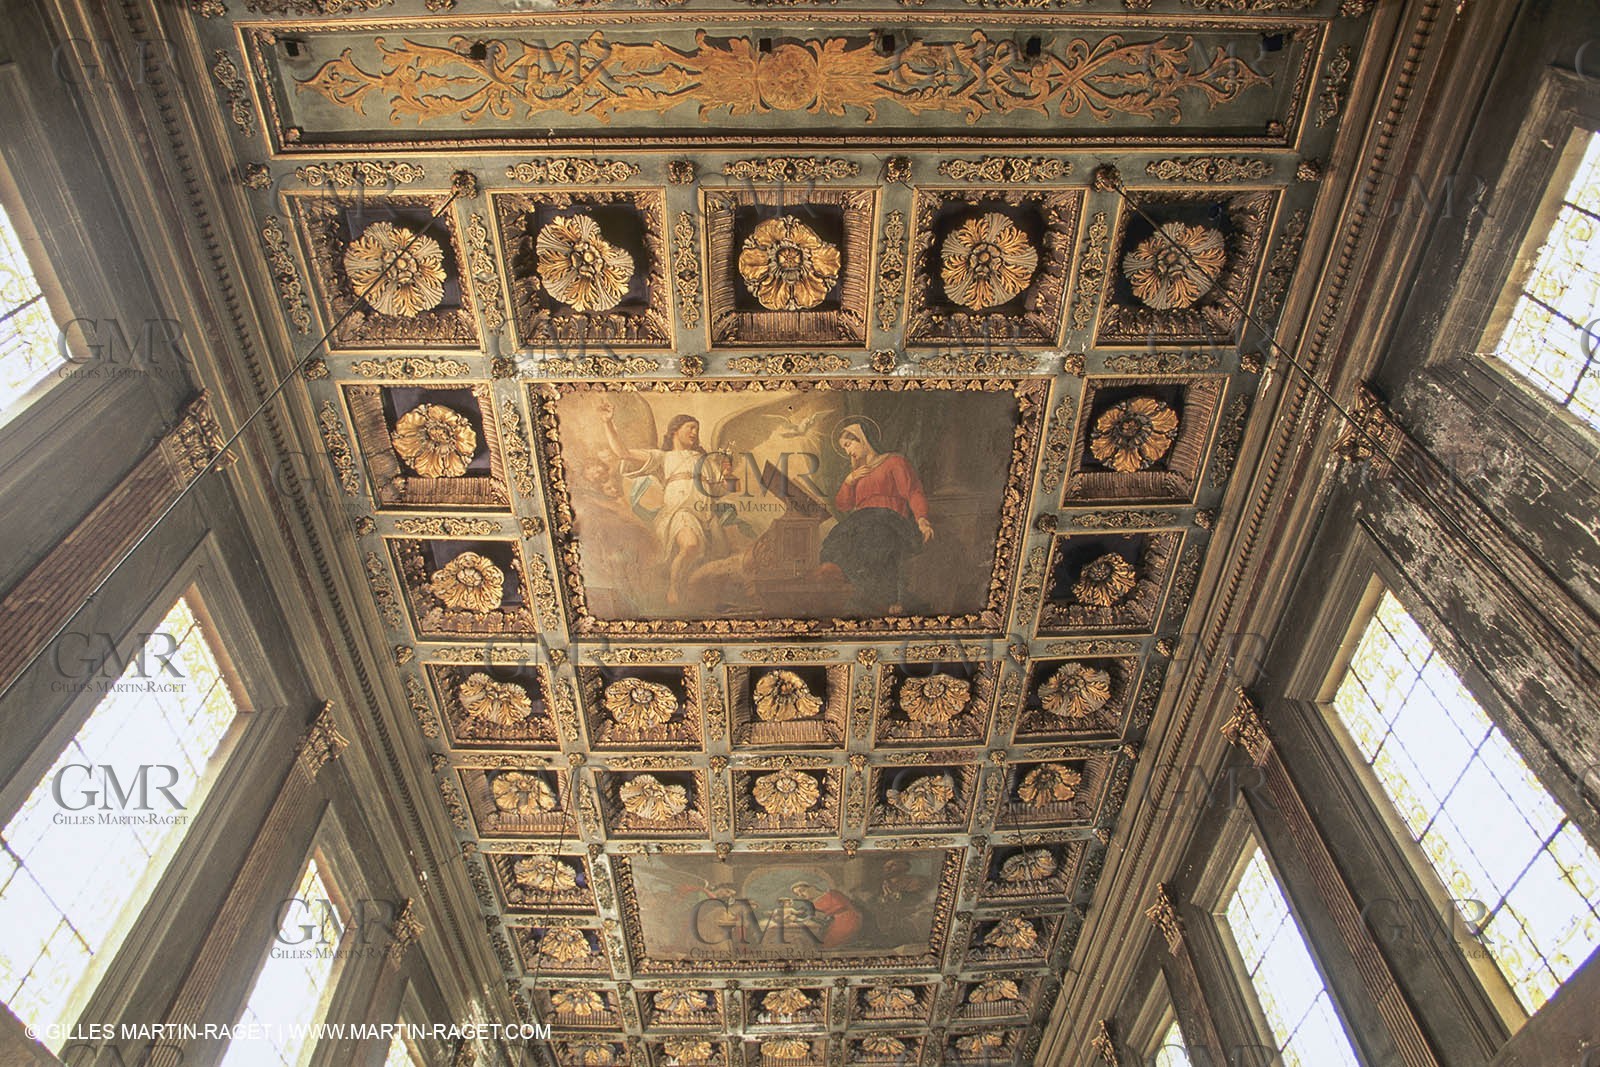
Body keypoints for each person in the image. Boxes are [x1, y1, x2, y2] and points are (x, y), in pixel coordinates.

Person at [596, 398, 735, 606]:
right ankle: (673, 588)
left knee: (722, 556)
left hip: (707, 515)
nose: (695, 433)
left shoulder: (706, 461)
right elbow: (622, 453)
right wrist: (607, 423)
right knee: (691, 546)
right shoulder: (663, 457)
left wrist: (727, 473)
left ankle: (706, 598)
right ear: (675, 430)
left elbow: (722, 490)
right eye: (691, 427)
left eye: (697, 429)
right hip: (681, 512)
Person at [818, 416, 934, 614]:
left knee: (876, 538)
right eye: (844, 448)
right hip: (862, 522)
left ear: (862, 439)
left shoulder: (894, 461)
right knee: (838, 543)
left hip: (889, 520)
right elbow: (843, 505)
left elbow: (913, 491)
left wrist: (922, 519)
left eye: (849, 445)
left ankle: (887, 598)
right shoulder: (858, 473)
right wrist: (849, 481)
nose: (848, 452)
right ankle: (861, 595)